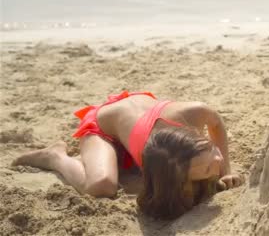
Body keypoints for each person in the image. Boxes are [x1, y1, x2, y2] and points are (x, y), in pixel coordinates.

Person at [12, 91, 242, 219]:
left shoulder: (196, 111)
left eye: (210, 150)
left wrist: (226, 170)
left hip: (134, 116)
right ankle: (56, 157)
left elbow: (217, 123)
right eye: (207, 168)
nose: (218, 160)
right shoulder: (157, 159)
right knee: (102, 186)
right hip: (104, 127)